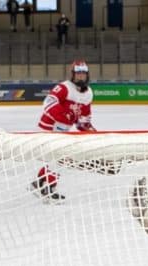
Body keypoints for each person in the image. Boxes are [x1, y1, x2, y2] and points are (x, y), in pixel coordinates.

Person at [33, 60, 95, 201]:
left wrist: (88, 129)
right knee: (58, 158)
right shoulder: (64, 87)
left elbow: (83, 118)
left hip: (63, 130)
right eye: (78, 73)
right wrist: (62, 115)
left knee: (60, 159)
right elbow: (48, 102)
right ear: (73, 74)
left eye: (83, 74)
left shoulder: (88, 93)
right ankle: (46, 186)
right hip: (48, 127)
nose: (81, 76)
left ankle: (42, 184)